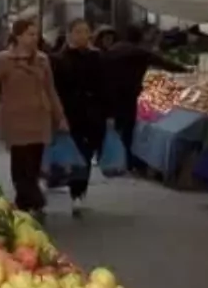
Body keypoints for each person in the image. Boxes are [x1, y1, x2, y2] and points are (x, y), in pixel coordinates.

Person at [0, 19, 68, 220]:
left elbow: (50, 90)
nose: (34, 38)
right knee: (21, 164)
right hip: (16, 119)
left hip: (39, 118)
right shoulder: (3, 59)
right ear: (18, 36)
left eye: (36, 34)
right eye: (30, 34)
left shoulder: (43, 60)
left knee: (34, 165)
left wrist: (59, 116)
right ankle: (36, 201)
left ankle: (24, 204)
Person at [105, 26, 188, 174]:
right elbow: (163, 63)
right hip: (129, 94)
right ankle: (127, 163)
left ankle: (112, 162)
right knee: (127, 129)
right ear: (140, 38)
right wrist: (185, 69)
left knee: (116, 128)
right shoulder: (140, 52)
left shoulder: (113, 50)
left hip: (111, 94)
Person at [52, 19, 106, 215]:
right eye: (78, 31)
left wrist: (107, 114)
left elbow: (105, 87)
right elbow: (54, 89)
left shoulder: (98, 58)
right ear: (69, 34)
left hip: (93, 114)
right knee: (73, 153)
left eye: (86, 31)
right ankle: (73, 188)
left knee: (86, 154)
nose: (83, 35)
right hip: (69, 113)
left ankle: (79, 191)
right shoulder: (59, 59)